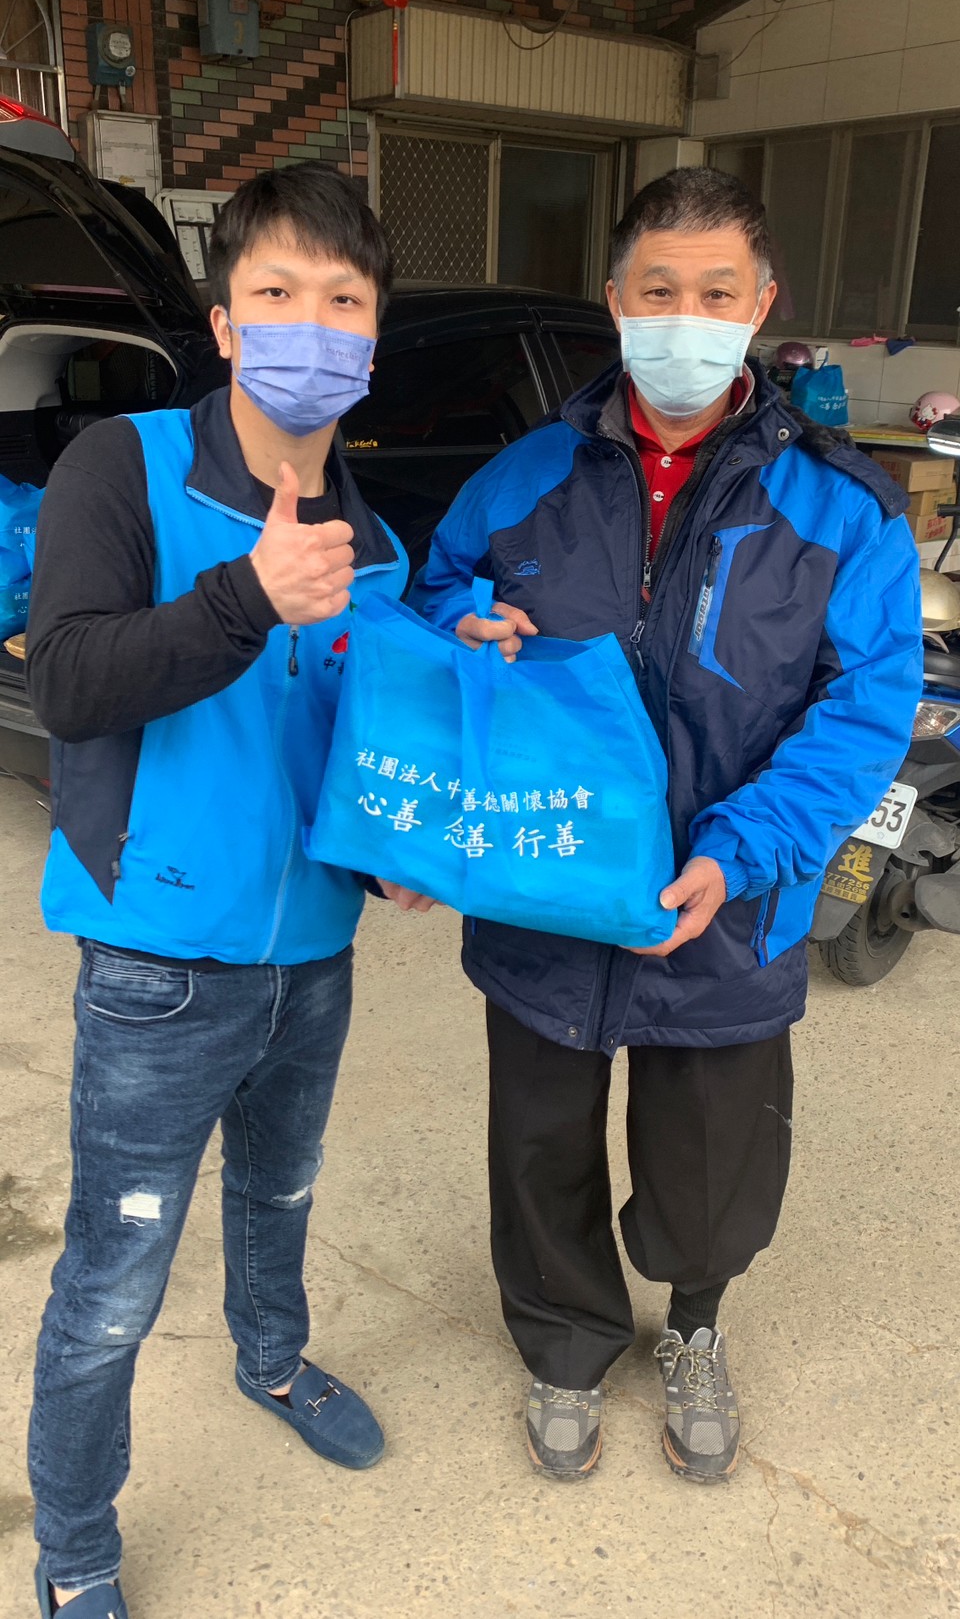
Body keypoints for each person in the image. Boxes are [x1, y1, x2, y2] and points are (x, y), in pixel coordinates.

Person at [415, 168, 922, 1483]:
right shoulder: (522, 477)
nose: (683, 317)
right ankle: (566, 1339)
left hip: (729, 897)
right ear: (615, 301)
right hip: (544, 885)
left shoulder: (843, 506)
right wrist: (458, 631)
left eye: (713, 292)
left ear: (760, 305)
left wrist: (741, 851)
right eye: (658, 290)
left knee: (711, 1163)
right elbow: (431, 605)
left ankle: (694, 1322)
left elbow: (866, 709)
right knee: (539, 1144)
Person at [26, 165, 431, 1618]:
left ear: (372, 338)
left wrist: (410, 819)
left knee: (282, 1191)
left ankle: (271, 1359)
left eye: (343, 300)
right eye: (278, 293)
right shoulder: (121, 468)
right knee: (112, 1282)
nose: (311, 323)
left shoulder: (379, 546)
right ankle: (76, 1545)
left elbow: (352, 756)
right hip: (160, 961)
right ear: (224, 323)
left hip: (312, 957)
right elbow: (70, 680)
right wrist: (246, 598)